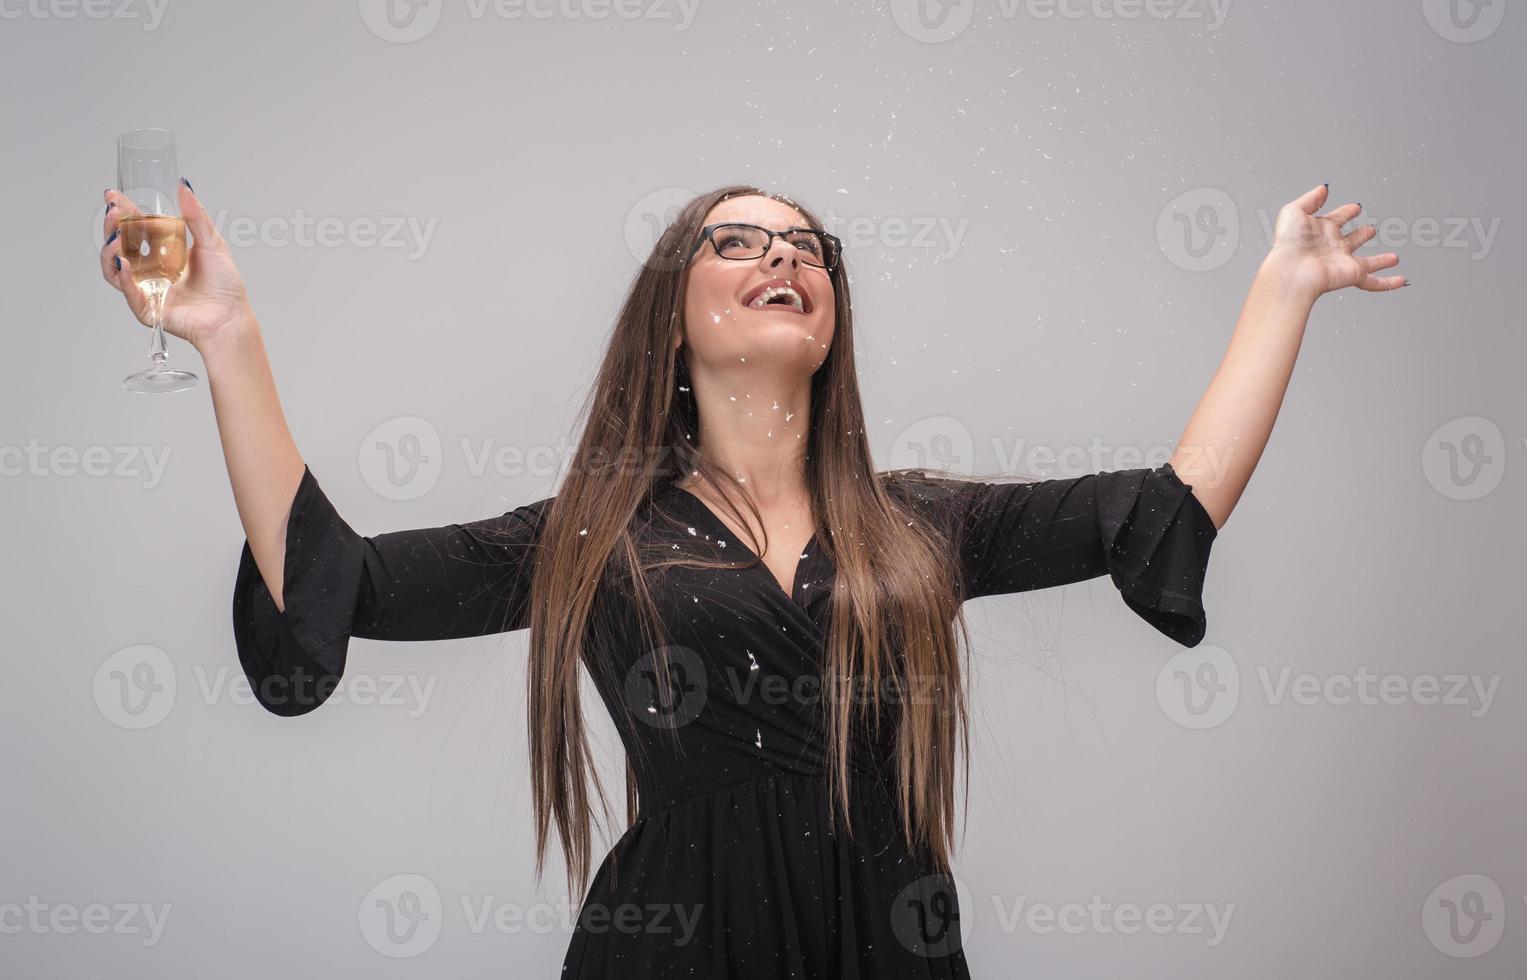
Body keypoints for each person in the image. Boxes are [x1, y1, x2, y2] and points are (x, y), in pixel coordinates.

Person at [97, 179, 1404, 977]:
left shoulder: (919, 526)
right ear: (673, 317)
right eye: (738, 241)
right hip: (674, 944)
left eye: (808, 246)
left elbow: (1163, 517)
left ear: (831, 317)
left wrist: (1282, 293)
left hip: (892, 944)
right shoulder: (592, 531)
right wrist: (229, 336)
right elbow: (337, 585)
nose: (786, 257)